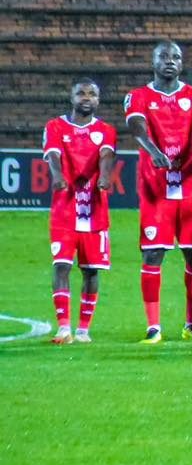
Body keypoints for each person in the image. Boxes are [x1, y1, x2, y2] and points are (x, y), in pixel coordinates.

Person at [124, 41, 192, 344]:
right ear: (153, 62)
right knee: (153, 254)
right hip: (156, 191)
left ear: (182, 63)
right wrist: (152, 150)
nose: (170, 61)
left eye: (176, 57)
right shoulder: (138, 96)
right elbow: (138, 128)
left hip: (190, 189)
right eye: (164, 56)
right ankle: (153, 327)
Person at [43, 79, 117, 344]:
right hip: (64, 210)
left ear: (98, 100)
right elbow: (52, 155)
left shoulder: (106, 130)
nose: (86, 97)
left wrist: (105, 178)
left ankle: (84, 329)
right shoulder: (55, 126)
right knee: (61, 265)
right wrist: (58, 176)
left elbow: (106, 156)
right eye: (81, 93)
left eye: (92, 94)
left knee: (91, 270)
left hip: (94, 211)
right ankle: (64, 327)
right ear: (71, 96)